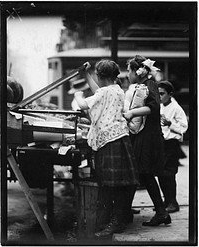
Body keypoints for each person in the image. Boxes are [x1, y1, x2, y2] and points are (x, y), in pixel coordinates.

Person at [74, 59, 139, 238]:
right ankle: (116, 220)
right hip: (121, 139)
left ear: (100, 76)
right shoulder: (117, 90)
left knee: (111, 185)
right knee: (121, 184)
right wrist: (86, 74)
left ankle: (113, 222)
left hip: (110, 142)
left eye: (95, 75)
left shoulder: (104, 92)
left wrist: (78, 95)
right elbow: (100, 91)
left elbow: (84, 105)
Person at [123, 55, 172, 226]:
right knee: (143, 173)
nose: (128, 74)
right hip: (144, 136)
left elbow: (154, 107)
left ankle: (158, 212)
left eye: (129, 70)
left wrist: (131, 113)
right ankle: (159, 212)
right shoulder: (142, 85)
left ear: (139, 71)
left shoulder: (150, 85)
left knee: (143, 173)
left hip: (148, 137)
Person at [157, 80, 188, 213]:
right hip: (162, 143)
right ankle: (167, 200)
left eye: (162, 94)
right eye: (158, 94)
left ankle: (173, 202)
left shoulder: (175, 108)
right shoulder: (161, 106)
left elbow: (184, 128)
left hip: (171, 143)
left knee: (169, 173)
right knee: (161, 173)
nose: (160, 96)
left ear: (170, 94)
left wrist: (171, 124)